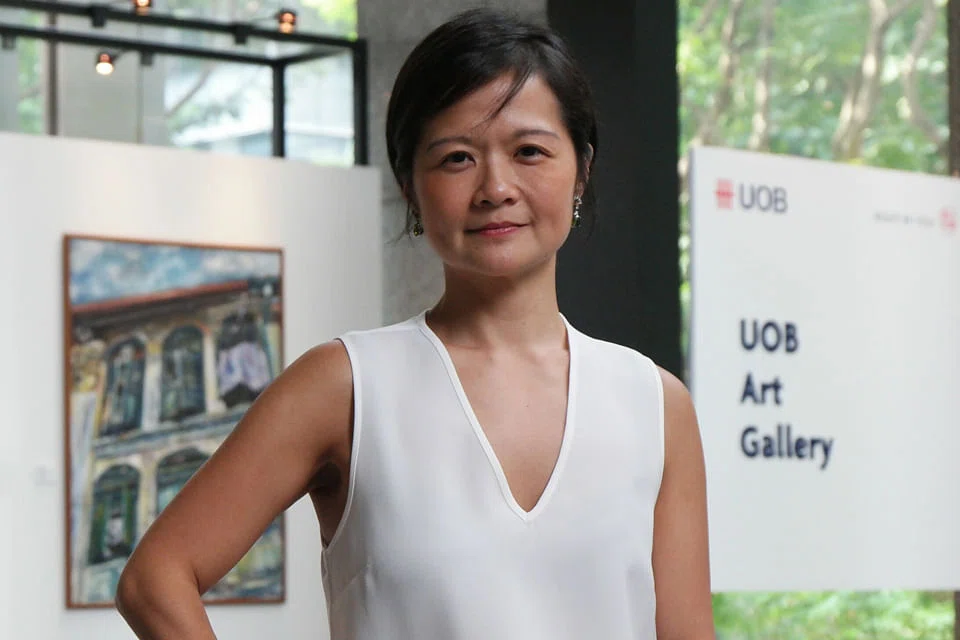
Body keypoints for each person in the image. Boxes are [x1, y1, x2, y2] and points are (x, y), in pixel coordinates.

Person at [115, 8, 715, 640]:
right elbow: (155, 578)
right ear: (409, 186)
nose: (495, 187)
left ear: (582, 169)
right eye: (456, 158)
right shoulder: (346, 386)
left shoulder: (654, 404)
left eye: (529, 152)